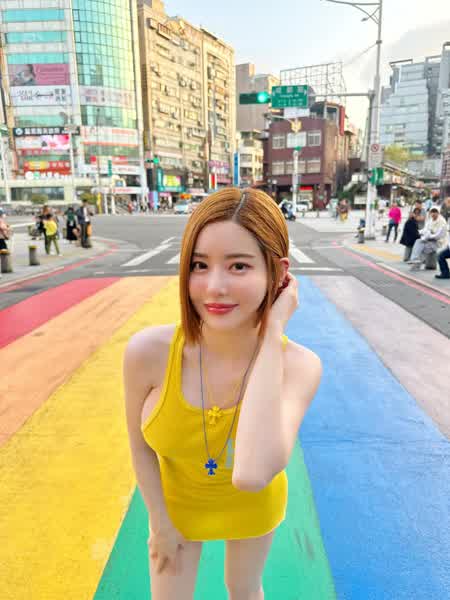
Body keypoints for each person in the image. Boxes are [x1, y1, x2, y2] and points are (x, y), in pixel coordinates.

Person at [123, 187, 322, 599]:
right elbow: (139, 446)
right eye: (200, 265)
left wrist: (272, 333)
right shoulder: (148, 352)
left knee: (243, 589)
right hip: (175, 505)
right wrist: (159, 522)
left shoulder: (299, 367)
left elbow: (251, 474)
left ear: (278, 273)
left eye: (238, 266)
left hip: (253, 507)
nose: (214, 286)